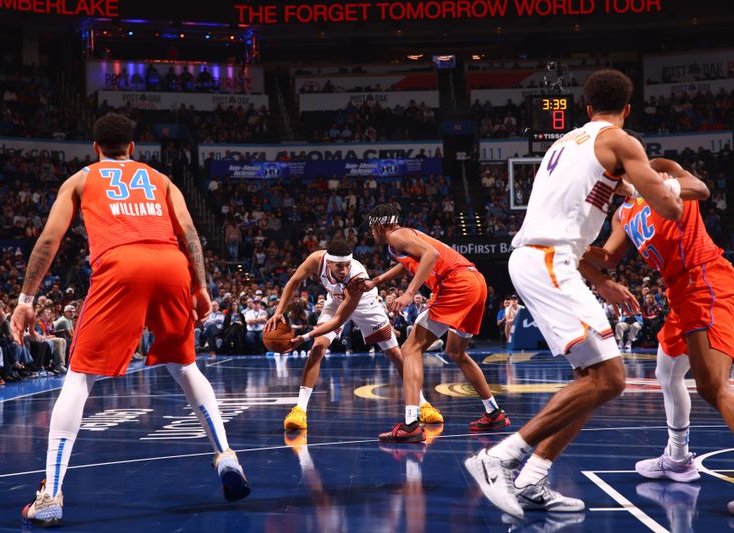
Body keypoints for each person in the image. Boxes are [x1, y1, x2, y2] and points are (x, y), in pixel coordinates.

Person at [10, 113, 249, 528]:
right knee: (184, 365)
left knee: (79, 377)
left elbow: (49, 239)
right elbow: (190, 232)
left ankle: (50, 494)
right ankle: (226, 456)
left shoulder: (82, 179)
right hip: (172, 263)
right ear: (133, 148)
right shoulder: (161, 179)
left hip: (122, 263)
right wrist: (201, 286)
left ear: (95, 147)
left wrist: (25, 298)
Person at [465, 69, 684, 519]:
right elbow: (670, 208)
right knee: (612, 379)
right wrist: (672, 186)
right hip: (547, 261)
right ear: (627, 109)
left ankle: (532, 480)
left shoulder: (564, 145)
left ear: (585, 109)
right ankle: (499, 458)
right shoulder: (621, 142)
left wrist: (600, 280)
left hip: (546, 257)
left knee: (593, 382)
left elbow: (566, 227)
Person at [584, 151, 734, 518]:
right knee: (667, 372)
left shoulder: (657, 167)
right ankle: (677, 459)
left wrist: (660, 184)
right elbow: (608, 257)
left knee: (712, 386)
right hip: (679, 292)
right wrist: (573, 246)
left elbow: (700, 189)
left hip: (704, 279)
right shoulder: (623, 212)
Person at [364, 205, 509, 443]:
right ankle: (493, 412)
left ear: (381, 225)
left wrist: (410, 293)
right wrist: (378, 280)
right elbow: (410, 262)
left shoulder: (397, 235)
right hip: (475, 282)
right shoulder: (404, 239)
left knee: (409, 349)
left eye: (371, 228)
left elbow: (430, 255)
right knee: (456, 351)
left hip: (456, 284)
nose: (370, 233)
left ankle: (411, 424)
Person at [266, 239, 442, 431]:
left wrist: (303, 337)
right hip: (335, 303)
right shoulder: (316, 260)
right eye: (339, 266)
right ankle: (299, 410)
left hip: (365, 305)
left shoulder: (357, 277)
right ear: (329, 262)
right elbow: (293, 283)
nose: (343, 270)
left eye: (347, 265)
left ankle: (423, 404)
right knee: (318, 348)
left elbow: (340, 319)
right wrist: (278, 312)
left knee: (395, 355)